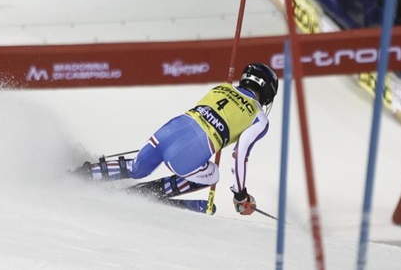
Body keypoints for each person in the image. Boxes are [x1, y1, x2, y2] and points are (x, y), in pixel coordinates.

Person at [79, 62, 278, 216]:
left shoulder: (222, 87)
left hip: (169, 131)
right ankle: (154, 193)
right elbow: (239, 155)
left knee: (136, 168)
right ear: (267, 91)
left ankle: (83, 174)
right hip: (187, 153)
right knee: (213, 174)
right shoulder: (259, 118)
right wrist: (240, 195)